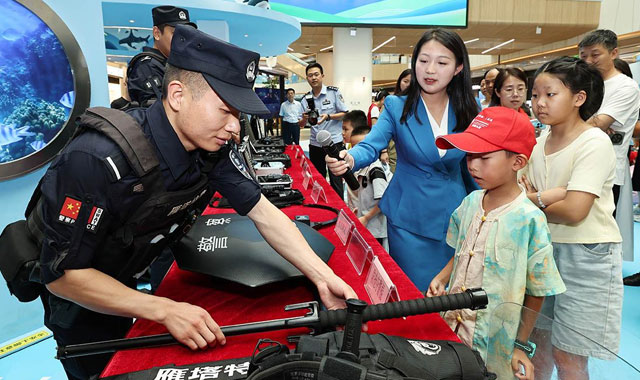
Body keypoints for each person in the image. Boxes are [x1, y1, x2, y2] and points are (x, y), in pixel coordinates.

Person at [28, 26, 357, 380]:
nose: (234, 127)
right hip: (81, 304)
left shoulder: (211, 149)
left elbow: (264, 213)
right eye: (224, 110)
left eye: (239, 115)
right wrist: (164, 309)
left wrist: (323, 277)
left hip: (128, 276)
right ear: (178, 94)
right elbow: (61, 276)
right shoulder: (96, 160)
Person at [327, 29, 479, 291]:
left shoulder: (468, 108)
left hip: (456, 220)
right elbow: (373, 145)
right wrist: (350, 159)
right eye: (423, 60)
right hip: (409, 220)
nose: (430, 70)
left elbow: (473, 166)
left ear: (458, 68)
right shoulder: (397, 106)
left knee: (453, 300)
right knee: (416, 297)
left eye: (442, 62)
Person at [429, 106, 565, 380]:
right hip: (452, 328)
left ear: (517, 162)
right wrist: (442, 277)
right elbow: (463, 250)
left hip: (494, 341)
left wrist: (519, 344)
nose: (472, 165)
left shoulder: (529, 219)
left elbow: (537, 290)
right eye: (469, 155)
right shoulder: (470, 203)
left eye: (484, 157)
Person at [519, 57, 622, 380]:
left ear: (579, 98)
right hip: (543, 251)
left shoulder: (593, 142)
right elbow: (523, 194)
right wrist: (553, 195)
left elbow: (577, 210)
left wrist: (537, 198)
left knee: (569, 355)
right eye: (535, 95)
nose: (539, 103)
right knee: (538, 344)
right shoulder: (537, 146)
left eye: (550, 95)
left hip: (587, 255)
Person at [579, 29, 640, 211]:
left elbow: (598, 124)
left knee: (598, 231)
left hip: (606, 172)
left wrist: (590, 125)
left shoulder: (626, 86)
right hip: (575, 162)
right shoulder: (581, 83)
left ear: (614, 53)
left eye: (595, 55)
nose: (588, 61)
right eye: (583, 56)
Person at [126, 6, 197, 107]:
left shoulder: (174, 64)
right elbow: (157, 111)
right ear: (157, 33)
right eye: (175, 33)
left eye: (184, 34)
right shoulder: (147, 66)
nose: (181, 39)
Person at [299, 63, 348, 197]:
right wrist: (304, 118)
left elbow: (345, 113)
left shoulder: (333, 92)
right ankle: (324, 209)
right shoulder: (305, 99)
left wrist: (328, 117)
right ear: (307, 78)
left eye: (316, 74)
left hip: (334, 143)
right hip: (315, 144)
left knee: (336, 178)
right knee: (318, 179)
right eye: (310, 75)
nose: (313, 78)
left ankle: (340, 209)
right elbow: (301, 124)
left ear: (322, 76)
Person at [350, 125, 389, 250]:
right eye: (354, 147)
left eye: (361, 147)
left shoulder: (375, 170)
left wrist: (367, 217)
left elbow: (384, 200)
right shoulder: (364, 168)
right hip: (367, 224)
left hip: (375, 228)